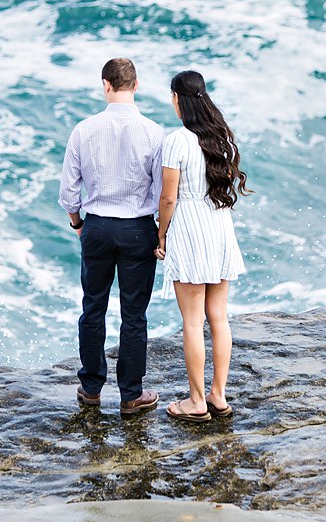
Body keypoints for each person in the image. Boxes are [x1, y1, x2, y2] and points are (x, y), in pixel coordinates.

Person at [58, 57, 165, 415]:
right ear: (137, 85)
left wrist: (78, 223)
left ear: (105, 85)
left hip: (98, 226)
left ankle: (90, 387)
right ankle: (130, 395)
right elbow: (165, 192)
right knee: (134, 315)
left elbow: (69, 192)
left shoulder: (84, 130)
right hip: (137, 228)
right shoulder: (154, 132)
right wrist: (161, 234)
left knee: (93, 308)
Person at [154, 70, 251, 423]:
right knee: (219, 317)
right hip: (219, 224)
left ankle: (196, 401)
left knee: (193, 323)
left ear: (177, 98)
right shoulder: (220, 137)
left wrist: (161, 235)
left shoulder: (177, 140)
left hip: (190, 228)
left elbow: (168, 198)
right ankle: (218, 395)